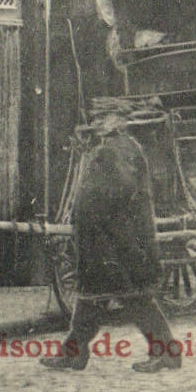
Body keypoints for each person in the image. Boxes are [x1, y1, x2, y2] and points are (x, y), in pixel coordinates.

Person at [43, 110, 182, 374]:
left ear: (115, 124)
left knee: (136, 300)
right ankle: (74, 353)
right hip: (105, 241)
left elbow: (119, 193)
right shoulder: (118, 149)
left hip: (118, 243)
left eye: (100, 120)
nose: (94, 124)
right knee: (90, 299)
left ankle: (168, 354)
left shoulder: (116, 151)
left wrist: (98, 223)